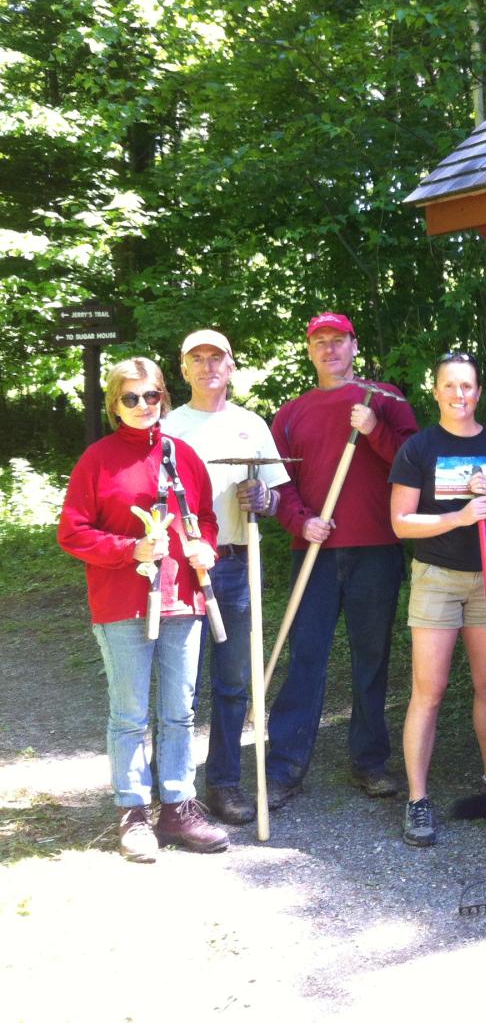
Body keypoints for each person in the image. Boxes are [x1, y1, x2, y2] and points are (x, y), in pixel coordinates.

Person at [57, 357, 228, 860]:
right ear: (114, 404)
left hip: (184, 599)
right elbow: (73, 531)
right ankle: (132, 813)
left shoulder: (184, 456)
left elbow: (207, 519)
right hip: (121, 601)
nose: (142, 406)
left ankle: (177, 806)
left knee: (179, 711)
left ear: (163, 399)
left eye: (150, 396)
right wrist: (127, 550)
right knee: (130, 713)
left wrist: (207, 548)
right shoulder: (98, 459)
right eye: (130, 398)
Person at [266, 312, 418, 808]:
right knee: (306, 654)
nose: (329, 349)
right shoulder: (289, 414)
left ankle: (369, 761)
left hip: (376, 547)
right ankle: (285, 766)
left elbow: (415, 463)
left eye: (338, 340)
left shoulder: (385, 398)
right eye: (320, 342)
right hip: (314, 550)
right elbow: (279, 486)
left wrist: (374, 429)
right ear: (310, 350)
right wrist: (300, 522)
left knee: (371, 657)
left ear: (354, 345)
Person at [389, 351, 486, 847]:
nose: (459, 395)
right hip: (436, 578)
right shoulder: (419, 448)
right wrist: (458, 517)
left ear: (479, 392)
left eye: (467, 386)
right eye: (450, 386)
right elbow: (402, 522)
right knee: (428, 691)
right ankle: (418, 799)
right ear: (435, 391)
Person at [165, 329, 291, 826]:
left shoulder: (251, 425)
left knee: (234, 681)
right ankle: (175, 789)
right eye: (196, 358)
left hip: (236, 562)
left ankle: (223, 782)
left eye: (216, 357)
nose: (207, 366)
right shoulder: (168, 426)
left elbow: (279, 496)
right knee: (179, 684)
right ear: (183, 369)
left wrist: (264, 499)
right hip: (180, 568)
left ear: (232, 366)